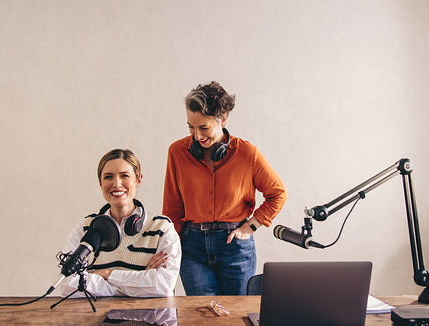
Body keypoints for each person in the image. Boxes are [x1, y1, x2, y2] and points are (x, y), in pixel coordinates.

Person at [163, 81, 288, 295]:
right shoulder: (177, 152)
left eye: (204, 128)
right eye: (191, 127)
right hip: (192, 249)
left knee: (236, 315)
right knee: (204, 315)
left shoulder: (247, 154)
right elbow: (172, 208)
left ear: (223, 119)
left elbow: (277, 194)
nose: (197, 136)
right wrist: (170, 247)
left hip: (235, 247)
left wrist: (251, 226)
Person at [58, 149, 181, 298]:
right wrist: (140, 282)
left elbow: (163, 285)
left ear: (138, 180)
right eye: (108, 177)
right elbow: (67, 285)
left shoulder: (162, 228)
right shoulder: (85, 227)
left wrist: (107, 274)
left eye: (124, 176)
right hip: (98, 319)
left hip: (148, 320)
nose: (116, 184)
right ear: (100, 183)